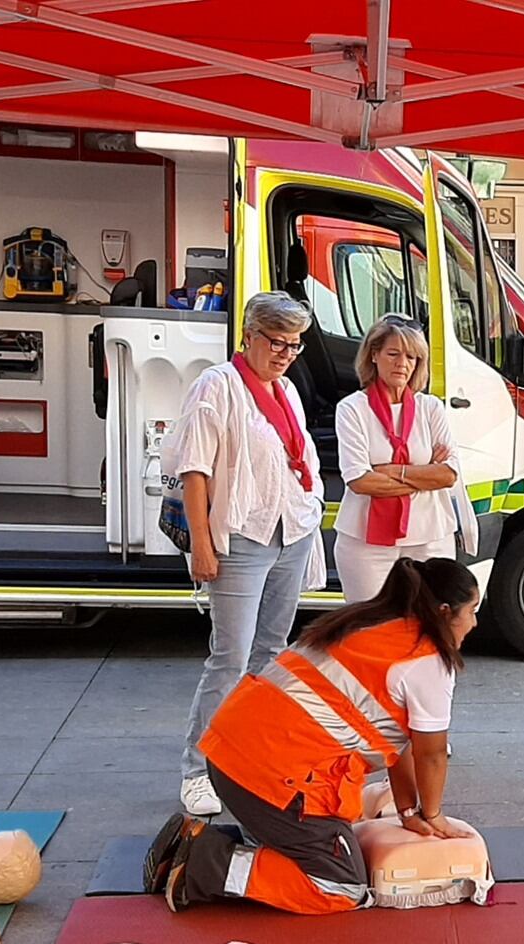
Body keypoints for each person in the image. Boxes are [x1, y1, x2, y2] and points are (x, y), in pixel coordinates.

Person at [144, 558, 480, 915]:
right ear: (444, 612)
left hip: (228, 759)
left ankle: (195, 841)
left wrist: (410, 810)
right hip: (271, 783)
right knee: (341, 885)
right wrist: (434, 814)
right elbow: (432, 754)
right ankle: (204, 864)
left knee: (307, 845)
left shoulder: (367, 623)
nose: (474, 622)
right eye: (472, 610)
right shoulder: (427, 661)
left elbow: (399, 744)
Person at [170, 291, 328, 819]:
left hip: (289, 531)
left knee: (269, 655)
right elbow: (195, 468)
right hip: (241, 538)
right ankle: (197, 770)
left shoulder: (285, 390)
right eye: (278, 341)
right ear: (249, 336)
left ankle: (247, 756)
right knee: (230, 658)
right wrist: (201, 542)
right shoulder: (218, 385)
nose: (286, 352)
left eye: (295, 344)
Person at [334, 315, 478, 604]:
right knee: (371, 630)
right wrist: (425, 476)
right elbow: (360, 481)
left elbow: (449, 476)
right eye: (393, 354)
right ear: (374, 355)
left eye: (411, 357)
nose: (403, 363)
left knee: (427, 628)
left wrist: (391, 471)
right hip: (365, 542)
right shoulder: (352, 409)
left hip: (430, 538)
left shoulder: (430, 408)